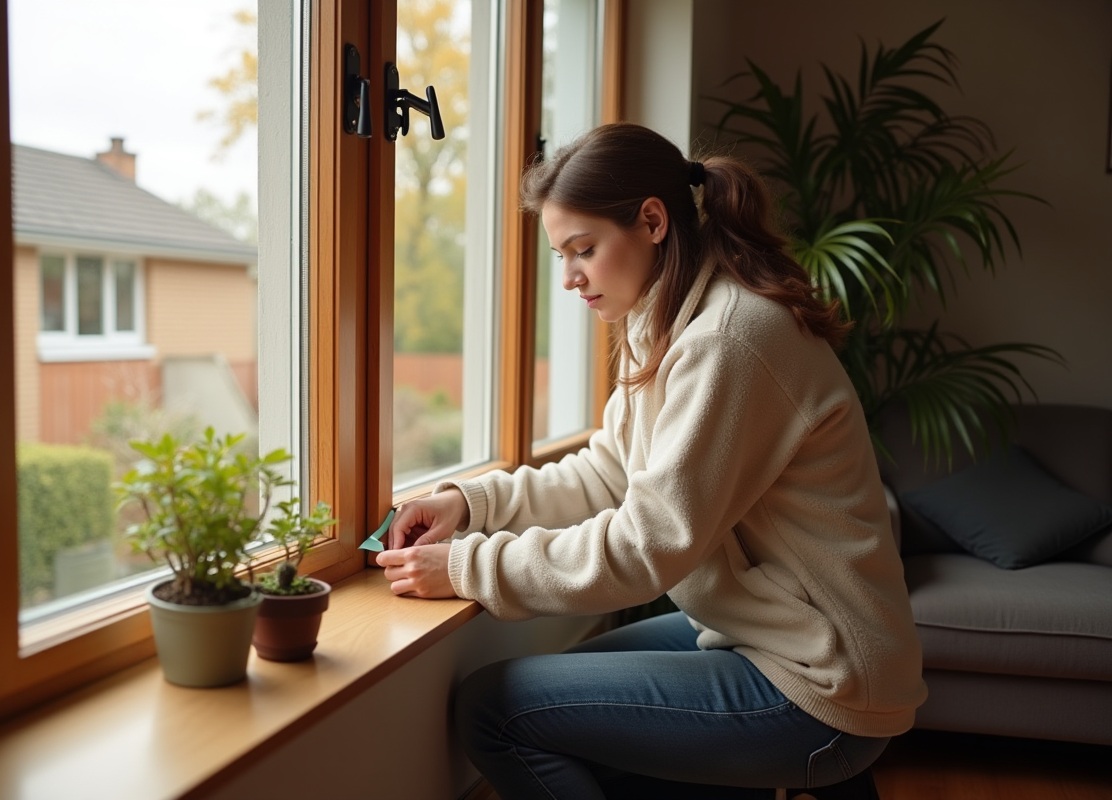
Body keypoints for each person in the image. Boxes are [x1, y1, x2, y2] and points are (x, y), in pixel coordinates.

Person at [375, 122, 926, 799]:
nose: (572, 278)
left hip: (819, 683)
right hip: (764, 637)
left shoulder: (727, 340)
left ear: (653, 221)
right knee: (553, 699)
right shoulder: (662, 319)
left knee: (497, 710)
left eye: (584, 249)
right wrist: (471, 504)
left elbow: (645, 549)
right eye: (561, 256)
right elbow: (609, 471)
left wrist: (466, 565)